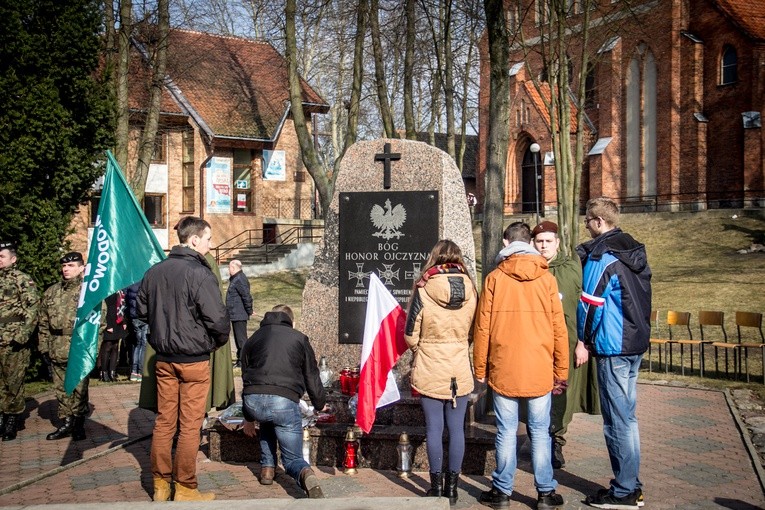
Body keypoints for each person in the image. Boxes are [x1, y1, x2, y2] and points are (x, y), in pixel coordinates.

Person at [473, 222, 569, 510]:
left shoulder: (494, 279)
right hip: (539, 366)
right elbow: (559, 329)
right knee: (539, 431)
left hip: (504, 366)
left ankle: (502, 491)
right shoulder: (547, 278)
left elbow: (482, 328)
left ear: (506, 242)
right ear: (529, 242)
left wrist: (479, 369)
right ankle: (545, 493)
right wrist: (561, 371)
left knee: (506, 430)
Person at [137, 216, 230, 502]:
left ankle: (161, 484)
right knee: (189, 426)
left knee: (165, 422)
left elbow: (140, 311)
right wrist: (211, 342)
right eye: (208, 239)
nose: (210, 244)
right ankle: (185, 487)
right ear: (193, 240)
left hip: (165, 358)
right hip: (192, 360)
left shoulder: (155, 271)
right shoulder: (200, 274)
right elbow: (218, 320)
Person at [577, 198, 651, 509]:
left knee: (617, 421)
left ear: (598, 221)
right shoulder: (635, 250)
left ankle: (623, 491)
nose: (585, 226)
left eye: (587, 221)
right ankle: (631, 483)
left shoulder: (602, 255)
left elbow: (590, 305)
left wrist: (583, 340)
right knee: (628, 419)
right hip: (634, 342)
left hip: (612, 346)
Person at [404, 240, 477, 505]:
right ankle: (453, 488)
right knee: (457, 430)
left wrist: (421, 349)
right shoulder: (472, 288)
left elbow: (410, 333)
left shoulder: (424, 288)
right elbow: (474, 330)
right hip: (459, 367)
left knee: (434, 429)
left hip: (430, 365)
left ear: (433, 258)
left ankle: (435, 487)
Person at [532, 221, 600, 469]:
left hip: (568, 343)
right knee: (535, 393)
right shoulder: (529, 269)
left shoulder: (572, 268)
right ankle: (538, 438)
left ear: (557, 243)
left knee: (562, 394)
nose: (544, 246)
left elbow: (584, 307)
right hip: (536, 345)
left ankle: (556, 442)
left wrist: (583, 341)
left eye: (548, 241)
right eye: (539, 241)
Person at [241, 304, 326, 499]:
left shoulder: (254, 337)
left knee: (268, 418)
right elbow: (311, 376)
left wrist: (247, 416)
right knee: (292, 458)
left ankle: (267, 468)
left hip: (254, 400)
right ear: (292, 321)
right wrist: (319, 404)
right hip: (283, 401)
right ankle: (305, 473)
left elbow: (246, 374)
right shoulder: (299, 338)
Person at [38, 252, 91, 441]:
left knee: (79, 388)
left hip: (78, 347)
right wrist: (44, 347)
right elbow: (43, 322)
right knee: (61, 388)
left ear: (81, 268)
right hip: (57, 346)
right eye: (64, 266)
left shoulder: (88, 292)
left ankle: (78, 423)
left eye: (71, 266)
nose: (66, 269)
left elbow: (97, 325)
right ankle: (66, 422)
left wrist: (91, 349)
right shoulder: (52, 291)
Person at [0, 242, 39, 441]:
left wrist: (22, 335)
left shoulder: (22, 279)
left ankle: (12, 420)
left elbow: (32, 309)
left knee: (13, 381)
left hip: (13, 339)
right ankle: (1, 415)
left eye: (1, 256)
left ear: (13, 259)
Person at [226, 259, 253, 366]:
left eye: (229, 267)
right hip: (235, 313)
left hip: (239, 314)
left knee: (241, 339)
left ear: (233, 268)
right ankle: (240, 359)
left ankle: (243, 361)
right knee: (238, 339)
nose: (228, 270)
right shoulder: (236, 279)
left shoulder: (239, 279)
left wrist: (249, 310)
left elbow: (246, 296)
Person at [99, 290, 128, 382]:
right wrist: (108, 325)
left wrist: (124, 321)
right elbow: (105, 308)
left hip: (118, 321)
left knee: (115, 346)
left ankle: (112, 372)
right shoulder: (107, 289)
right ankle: (103, 372)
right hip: (109, 321)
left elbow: (123, 306)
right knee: (107, 346)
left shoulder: (120, 290)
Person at [125, 281, 148, 382]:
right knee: (144, 344)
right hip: (144, 316)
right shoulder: (145, 285)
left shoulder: (130, 285)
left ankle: (134, 371)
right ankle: (141, 370)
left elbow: (126, 301)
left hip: (134, 317)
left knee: (138, 344)